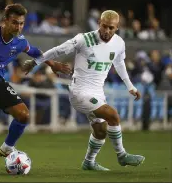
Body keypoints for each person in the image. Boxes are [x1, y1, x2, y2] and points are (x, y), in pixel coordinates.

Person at [22, 10, 145, 171]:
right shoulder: (83, 39)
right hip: (79, 92)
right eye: (104, 26)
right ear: (99, 24)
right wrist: (36, 61)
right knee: (113, 115)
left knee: (101, 132)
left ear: (117, 27)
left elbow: (119, 64)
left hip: (97, 93)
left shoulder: (119, 43)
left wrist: (130, 86)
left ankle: (89, 162)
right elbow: (58, 50)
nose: (107, 31)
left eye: (111, 28)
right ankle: (122, 155)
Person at [0, 3, 71, 170]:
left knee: (23, 114)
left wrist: (53, 64)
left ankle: (8, 147)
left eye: (21, 23)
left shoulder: (20, 41)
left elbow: (35, 52)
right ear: (5, 21)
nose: (18, 27)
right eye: (15, 22)